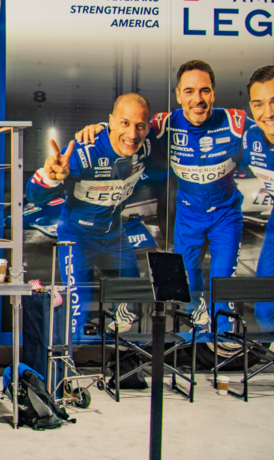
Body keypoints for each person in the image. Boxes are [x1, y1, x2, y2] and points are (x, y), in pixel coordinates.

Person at [77, 61, 250, 330]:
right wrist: (100, 127)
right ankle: (199, 331)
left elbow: (266, 134)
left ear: (213, 93)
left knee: (222, 283)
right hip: (188, 216)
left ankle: (221, 345)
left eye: (204, 91)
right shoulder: (164, 124)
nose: (198, 99)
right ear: (179, 94)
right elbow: (131, 130)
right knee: (187, 286)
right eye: (189, 91)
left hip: (225, 216)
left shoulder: (235, 122)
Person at [27, 93, 154, 337]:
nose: (132, 134)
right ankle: (71, 369)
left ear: (147, 127)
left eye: (140, 126)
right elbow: (33, 196)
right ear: (111, 122)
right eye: (125, 123)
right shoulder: (84, 152)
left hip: (114, 235)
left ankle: (117, 365)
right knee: (78, 310)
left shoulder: (146, 147)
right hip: (78, 237)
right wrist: (50, 177)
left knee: (129, 306)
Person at [242, 65, 274, 332]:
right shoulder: (249, 138)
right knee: (265, 311)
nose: (269, 112)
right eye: (259, 104)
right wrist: (103, 128)